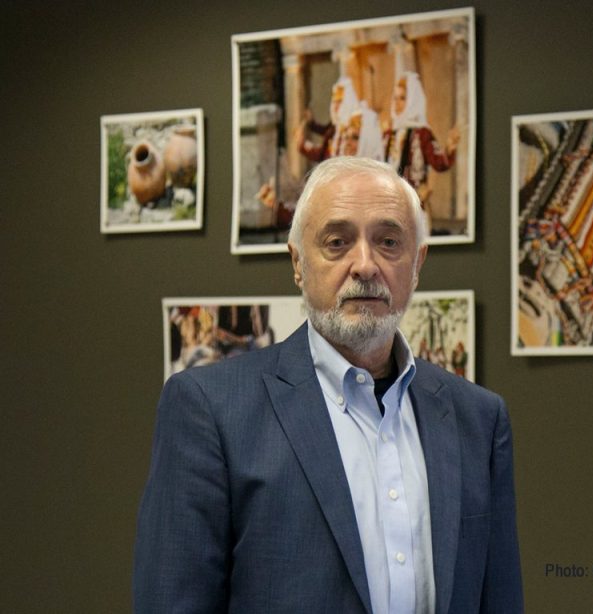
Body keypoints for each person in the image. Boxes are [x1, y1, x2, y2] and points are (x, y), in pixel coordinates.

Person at [133, 156, 523, 613]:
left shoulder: (478, 419)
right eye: (337, 242)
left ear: (417, 264)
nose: (366, 265)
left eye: (388, 242)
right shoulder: (211, 410)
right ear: (298, 263)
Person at [383, 71, 461, 228]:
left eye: (402, 98)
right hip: (387, 209)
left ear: (413, 100)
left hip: (414, 209)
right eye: (395, 98)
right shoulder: (389, 134)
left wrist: (450, 147)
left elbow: (439, 163)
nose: (397, 103)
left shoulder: (422, 133)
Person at [296, 75, 360, 161]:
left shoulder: (354, 127)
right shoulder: (337, 124)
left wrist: (303, 145)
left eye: (340, 102)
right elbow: (325, 150)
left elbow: (324, 155)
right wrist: (311, 124)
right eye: (335, 102)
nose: (335, 106)